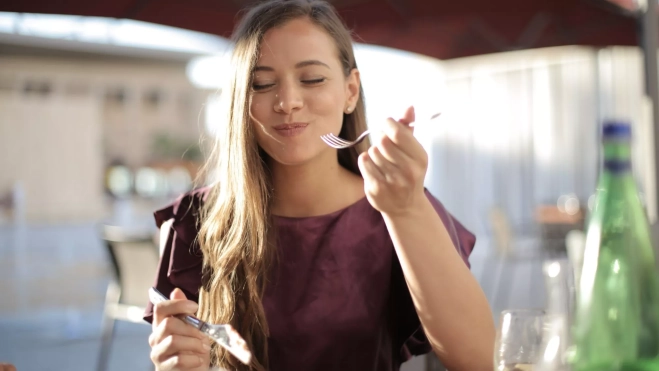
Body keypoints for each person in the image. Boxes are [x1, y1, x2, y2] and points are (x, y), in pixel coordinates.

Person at [144, 1, 495, 370]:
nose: (288, 102)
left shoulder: (399, 206)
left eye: (312, 79)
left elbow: (480, 360)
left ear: (350, 91)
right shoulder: (199, 220)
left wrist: (406, 209)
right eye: (262, 84)